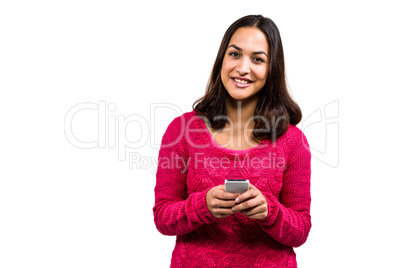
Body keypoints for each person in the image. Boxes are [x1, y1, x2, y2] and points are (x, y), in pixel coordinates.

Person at [153, 14, 311, 267]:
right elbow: (163, 218)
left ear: (272, 69)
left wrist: (270, 212)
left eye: (257, 59)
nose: (243, 68)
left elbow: (300, 230)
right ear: (221, 59)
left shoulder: (293, 141)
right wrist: (202, 205)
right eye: (235, 54)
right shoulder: (182, 131)